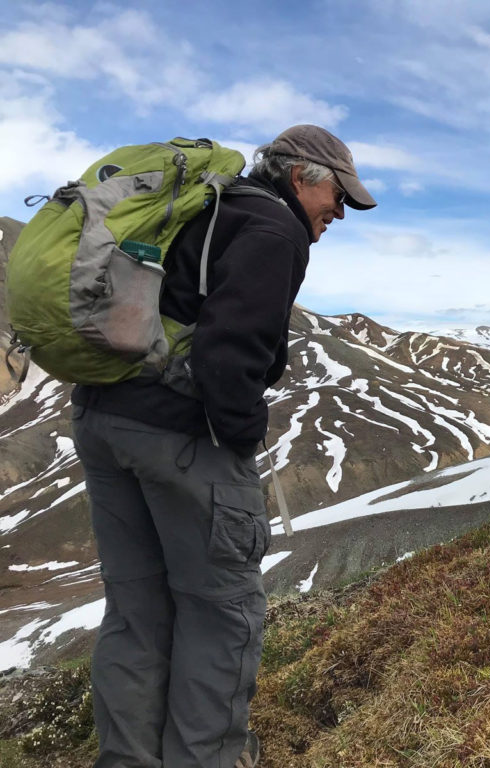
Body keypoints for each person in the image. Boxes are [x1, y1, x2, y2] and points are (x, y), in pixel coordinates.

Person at [70, 125, 376, 768]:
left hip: (105, 418)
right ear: (302, 179)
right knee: (220, 612)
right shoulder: (275, 231)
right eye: (338, 197)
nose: (339, 213)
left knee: (136, 609)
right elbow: (228, 355)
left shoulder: (212, 205)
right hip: (182, 438)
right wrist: (238, 442)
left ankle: (128, 759)